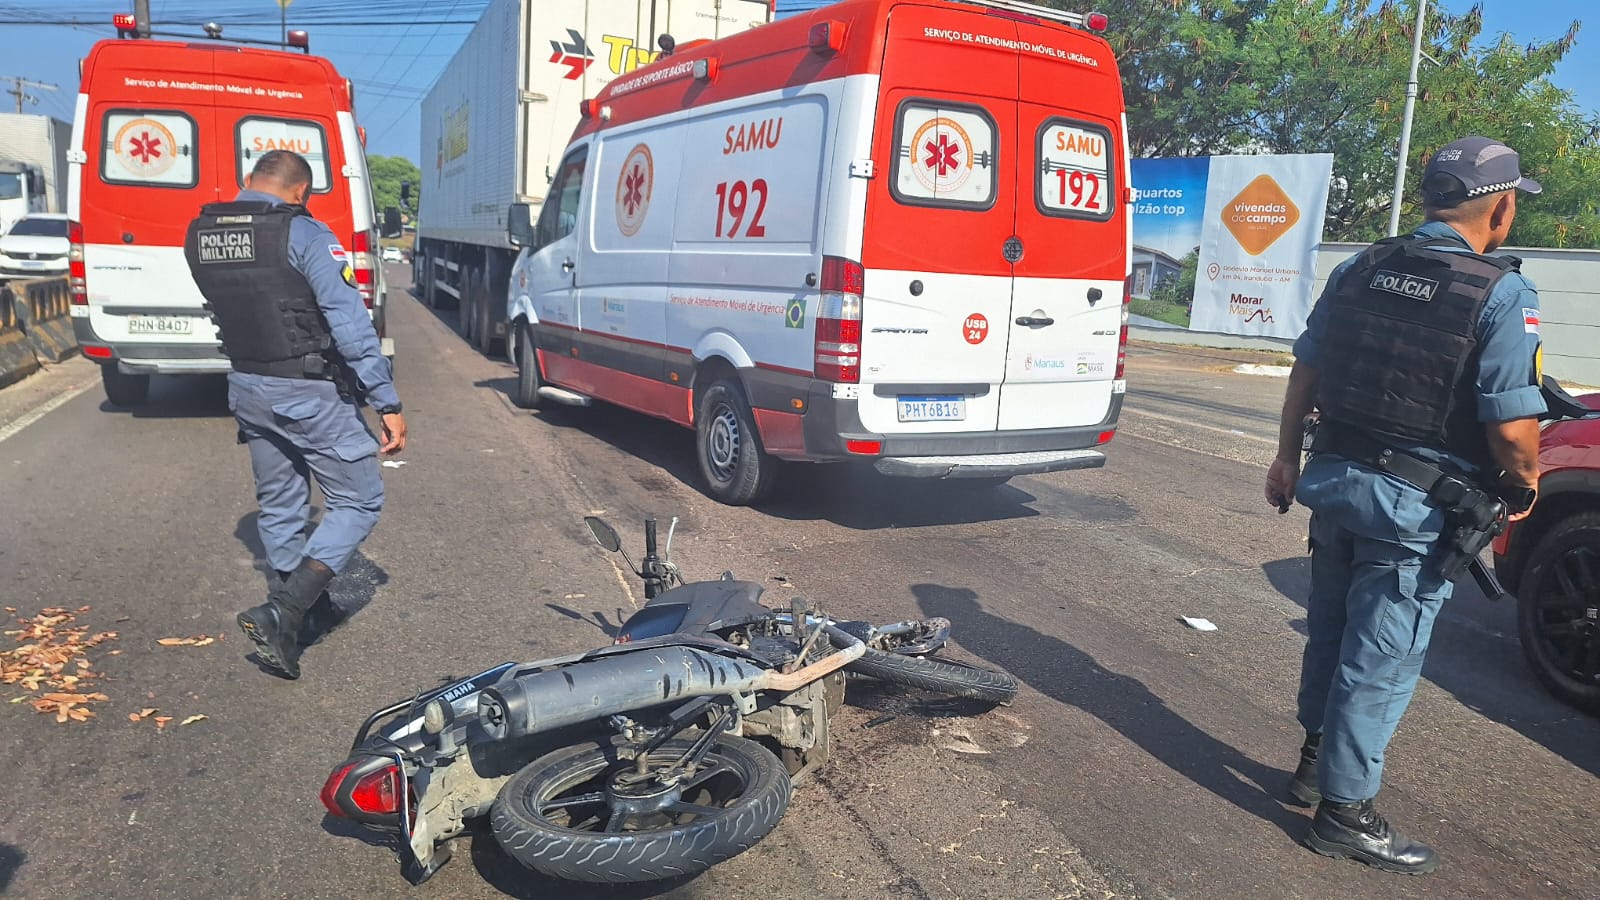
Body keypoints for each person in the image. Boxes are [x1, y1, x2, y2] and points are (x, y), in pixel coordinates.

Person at [1265, 136, 1545, 874]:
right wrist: (1526, 483)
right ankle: (1344, 814)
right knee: (1380, 658)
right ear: (1503, 208)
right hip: (1412, 509)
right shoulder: (1501, 292)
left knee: (1330, 632)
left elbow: (1307, 373)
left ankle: (1314, 763)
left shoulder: (1362, 267)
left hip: (1334, 484)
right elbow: (1513, 428)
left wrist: (1286, 457)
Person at [183, 149, 408, 680]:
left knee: (282, 502)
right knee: (360, 498)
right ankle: (284, 612)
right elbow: (349, 323)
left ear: (248, 181)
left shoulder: (201, 234)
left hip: (246, 385)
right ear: (301, 191)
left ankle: (300, 611)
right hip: (307, 391)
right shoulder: (303, 234)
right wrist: (387, 401)